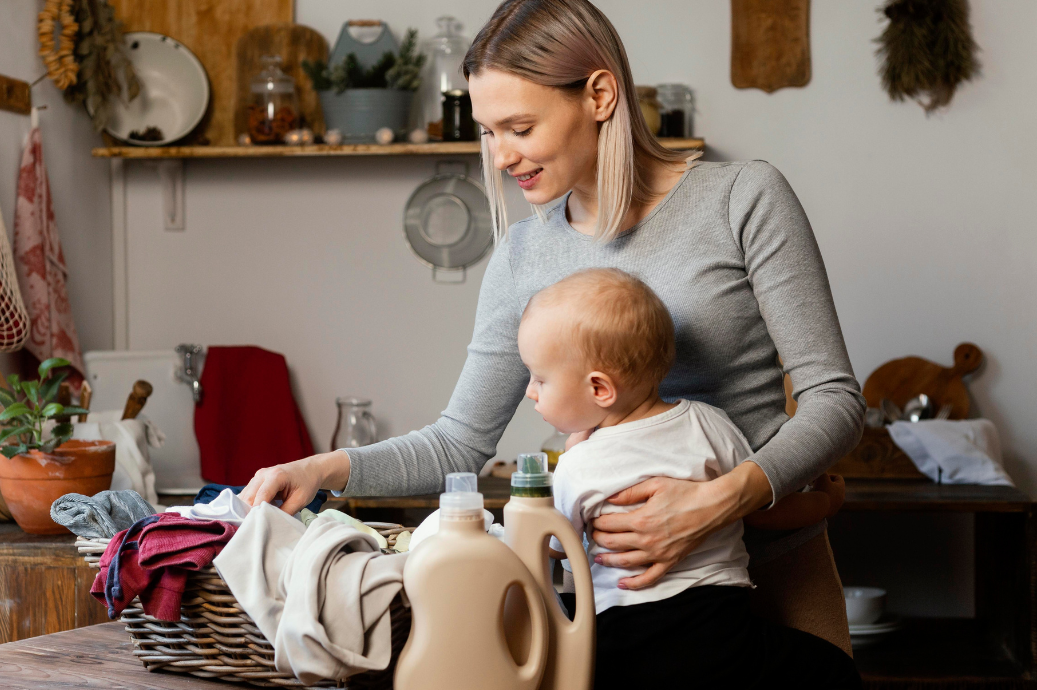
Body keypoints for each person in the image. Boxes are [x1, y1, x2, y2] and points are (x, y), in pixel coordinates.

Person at [241, 0, 864, 655]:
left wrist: (718, 501)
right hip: (615, 596)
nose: (502, 155)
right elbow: (458, 444)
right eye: (488, 131)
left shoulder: (743, 198)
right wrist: (323, 468)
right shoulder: (521, 256)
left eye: (519, 126)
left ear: (598, 95)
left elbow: (836, 401)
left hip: (773, 570)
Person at [523, 267, 858, 688]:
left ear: (600, 389)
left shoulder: (577, 465)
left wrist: (564, 471)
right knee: (833, 670)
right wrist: (826, 503)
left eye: (539, 379)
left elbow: (555, 548)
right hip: (719, 628)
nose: (530, 391)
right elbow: (761, 512)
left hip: (620, 642)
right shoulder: (708, 423)